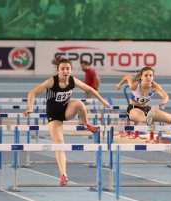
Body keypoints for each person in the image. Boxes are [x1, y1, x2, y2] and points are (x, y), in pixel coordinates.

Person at [24, 57, 111, 186]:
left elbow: (89, 89)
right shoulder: (51, 81)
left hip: (66, 110)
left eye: (67, 69)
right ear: (58, 70)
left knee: (79, 103)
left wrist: (102, 101)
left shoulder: (73, 81)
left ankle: (86, 124)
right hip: (54, 115)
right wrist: (31, 107)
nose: (65, 71)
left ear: (71, 70)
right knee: (59, 143)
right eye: (62, 69)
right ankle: (64, 175)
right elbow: (33, 92)